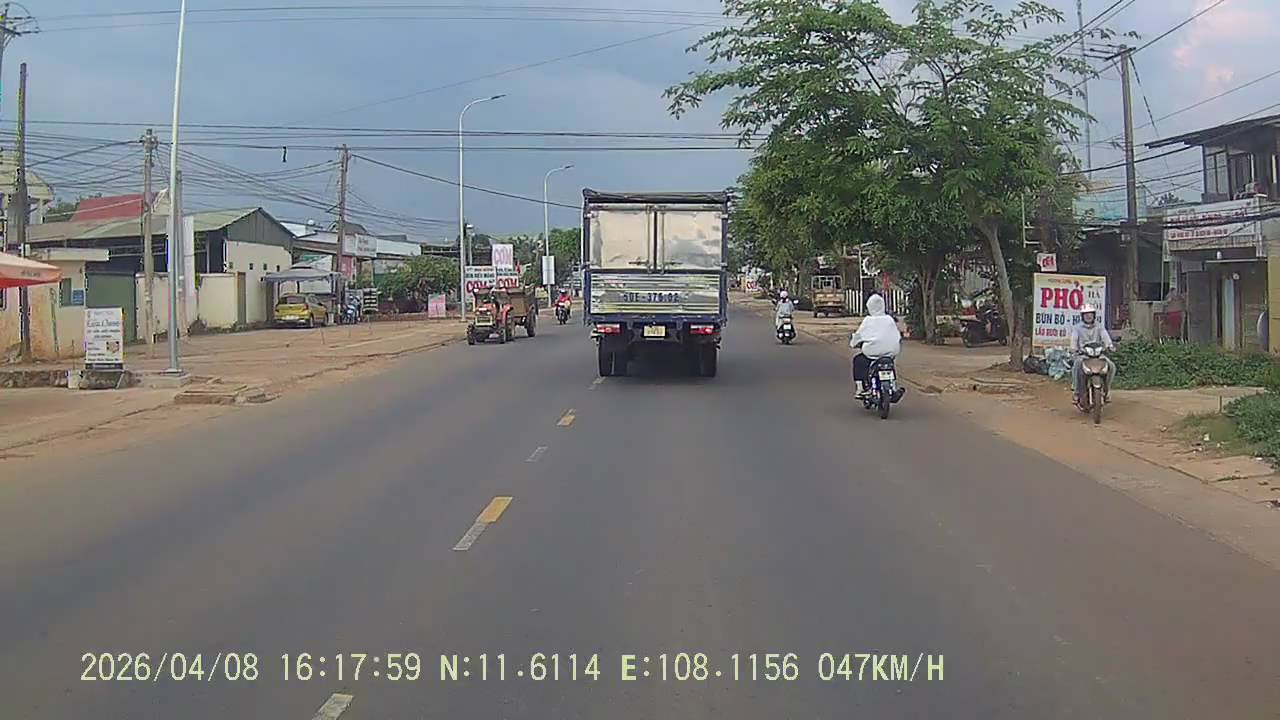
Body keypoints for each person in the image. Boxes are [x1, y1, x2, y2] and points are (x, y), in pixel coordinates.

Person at [849, 293, 902, 397]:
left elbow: (858, 336)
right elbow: (897, 335)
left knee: (858, 360)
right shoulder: (889, 319)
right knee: (890, 364)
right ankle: (893, 387)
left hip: (872, 353)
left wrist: (853, 343)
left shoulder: (868, 320)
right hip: (890, 352)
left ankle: (860, 389)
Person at [1070, 304, 1116, 405]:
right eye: (1086, 314)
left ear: (1094, 315)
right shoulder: (1077, 328)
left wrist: (1110, 346)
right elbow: (1074, 340)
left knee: (1111, 366)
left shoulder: (1099, 326)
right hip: (1083, 355)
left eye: (1090, 314)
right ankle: (1076, 392)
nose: (1088, 316)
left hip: (1098, 355)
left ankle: (1107, 391)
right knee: (1076, 365)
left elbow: (1105, 337)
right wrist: (1074, 349)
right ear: (1082, 316)